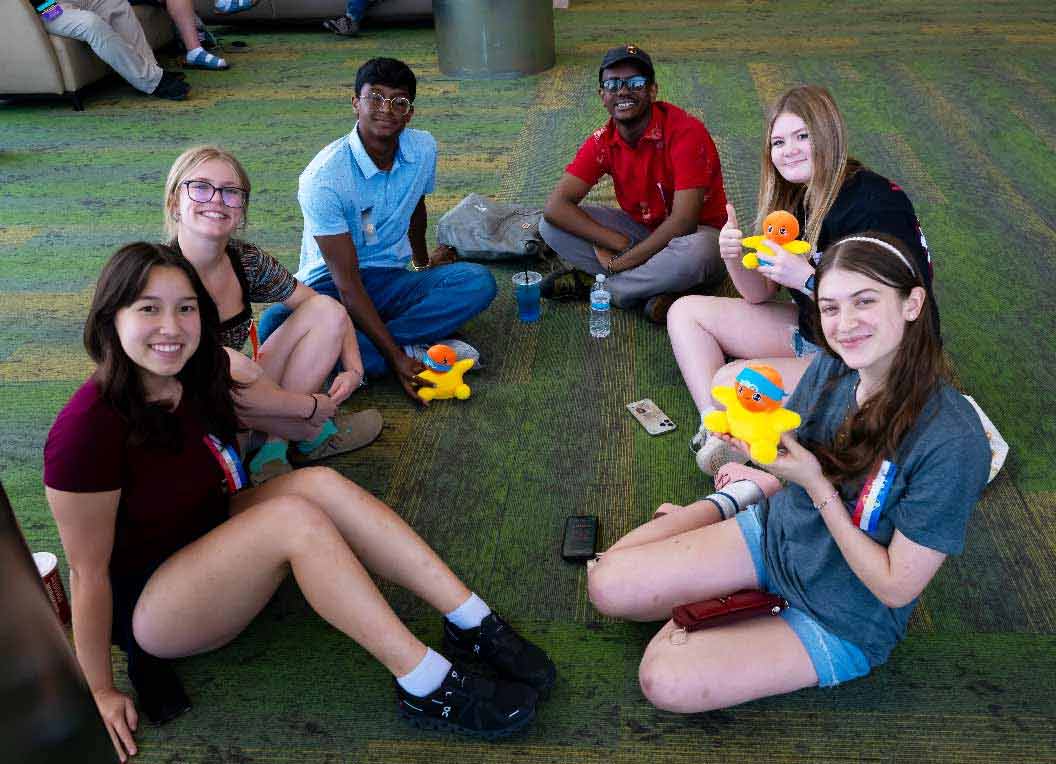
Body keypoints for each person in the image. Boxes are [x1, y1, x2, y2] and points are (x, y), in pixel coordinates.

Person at [43, 243, 555, 762]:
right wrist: (101, 690)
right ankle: (423, 682)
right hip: (154, 607)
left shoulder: (193, 373)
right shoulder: (84, 432)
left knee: (319, 487)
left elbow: (276, 413)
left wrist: (302, 388)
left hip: (206, 530)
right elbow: (87, 575)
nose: (171, 327)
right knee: (293, 519)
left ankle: (471, 620)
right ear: (111, 318)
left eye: (186, 307)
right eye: (148, 308)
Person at [586, 234, 988, 713]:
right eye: (831, 308)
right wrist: (762, 453)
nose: (846, 325)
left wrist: (817, 485)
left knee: (664, 680)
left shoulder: (953, 440)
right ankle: (727, 505)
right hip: (777, 534)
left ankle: (733, 582)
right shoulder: (834, 368)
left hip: (843, 613)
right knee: (604, 583)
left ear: (911, 303)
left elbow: (895, 586)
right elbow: (794, 451)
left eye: (865, 301)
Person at [667, 85, 940, 475]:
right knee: (685, 313)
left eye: (802, 136)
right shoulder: (795, 196)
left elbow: (895, 312)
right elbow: (759, 295)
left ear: (828, 135)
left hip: (878, 357)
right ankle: (717, 431)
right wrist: (733, 258)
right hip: (818, 333)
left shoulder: (875, 204)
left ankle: (749, 438)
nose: (789, 150)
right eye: (778, 142)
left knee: (731, 380)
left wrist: (810, 280)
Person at [258, 57, 497, 406]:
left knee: (477, 282)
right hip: (331, 285)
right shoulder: (323, 178)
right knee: (275, 323)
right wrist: (398, 359)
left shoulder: (423, 147)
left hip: (389, 277)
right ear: (356, 103)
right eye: (375, 98)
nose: (387, 109)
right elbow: (347, 283)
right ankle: (401, 347)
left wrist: (422, 263)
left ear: (410, 112)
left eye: (399, 101)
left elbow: (416, 206)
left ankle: (358, 347)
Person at [164, 145, 382, 486]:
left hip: (240, 390)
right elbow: (176, 375)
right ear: (175, 203)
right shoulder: (157, 275)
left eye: (231, 192)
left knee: (322, 311)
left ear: (242, 209)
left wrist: (354, 369)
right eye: (201, 187)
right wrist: (306, 407)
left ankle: (272, 446)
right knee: (234, 365)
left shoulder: (245, 259)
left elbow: (328, 310)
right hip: (186, 407)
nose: (217, 200)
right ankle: (305, 430)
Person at [538, 44, 728, 324]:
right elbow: (556, 207)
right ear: (602, 96)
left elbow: (684, 222)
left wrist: (623, 261)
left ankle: (603, 288)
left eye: (635, 83)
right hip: (643, 232)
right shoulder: (603, 140)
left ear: (652, 91)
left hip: (696, 236)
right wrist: (619, 242)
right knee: (550, 226)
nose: (623, 91)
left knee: (701, 252)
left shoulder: (686, 132)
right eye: (612, 84)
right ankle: (654, 290)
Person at [41, 0, 189, 100]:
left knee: (115, 3)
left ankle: (153, 70)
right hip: (45, 6)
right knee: (90, 23)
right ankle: (152, 81)